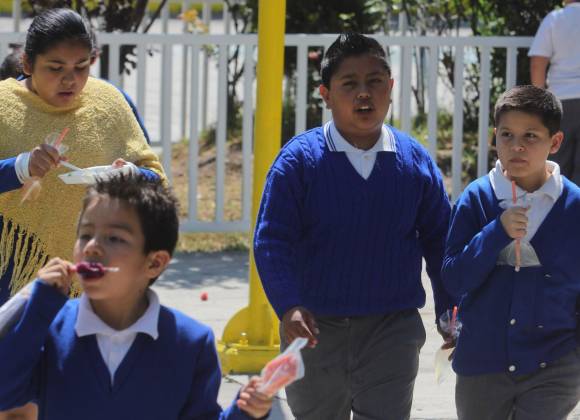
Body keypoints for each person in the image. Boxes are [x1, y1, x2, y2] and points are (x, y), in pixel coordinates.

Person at [253, 32, 454, 420]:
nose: (365, 94)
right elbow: (271, 240)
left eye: (375, 81)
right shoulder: (298, 163)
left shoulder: (415, 163)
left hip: (392, 330)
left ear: (391, 88)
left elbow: (440, 240)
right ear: (325, 94)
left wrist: (450, 308)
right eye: (350, 84)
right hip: (314, 332)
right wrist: (288, 306)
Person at [0, 9, 164, 418]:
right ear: (27, 64)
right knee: (14, 391)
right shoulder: (3, 106)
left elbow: (154, 177)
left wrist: (131, 175)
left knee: (81, 389)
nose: (70, 79)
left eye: (81, 66)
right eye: (55, 68)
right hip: (11, 269)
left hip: (94, 271)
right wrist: (19, 168)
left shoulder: (110, 103)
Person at [0, 173, 272, 419]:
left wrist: (245, 412)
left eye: (115, 238)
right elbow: (5, 393)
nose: (92, 247)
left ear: (154, 263)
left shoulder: (190, 343)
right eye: (85, 235)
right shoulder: (50, 326)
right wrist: (37, 309)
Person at [442, 85, 580, 420]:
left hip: (554, 363)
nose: (516, 146)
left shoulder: (574, 205)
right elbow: (454, 277)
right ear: (494, 137)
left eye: (531, 136)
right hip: (481, 363)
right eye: (507, 135)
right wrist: (496, 232)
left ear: (555, 142)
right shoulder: (476, 199)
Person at [529, 0, 580, 185]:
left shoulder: (554, 19)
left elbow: (538, 63)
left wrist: (539, 102)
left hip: (561, 101)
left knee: (557, 166)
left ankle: (558, 210)